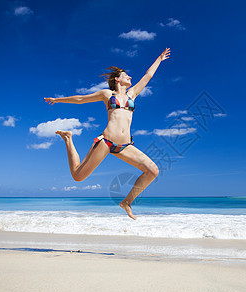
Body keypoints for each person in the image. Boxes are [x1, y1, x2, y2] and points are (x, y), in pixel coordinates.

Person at [44, 48, 171, 220]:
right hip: (106, 142)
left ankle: (127, 202)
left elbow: (147, 76)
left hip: (125, 146)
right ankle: (68, 138)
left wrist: (159, 59)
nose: (130, 78)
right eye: (127, 75)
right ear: (117, 79)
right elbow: (81, 98)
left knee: (153, 171)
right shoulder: (107, 94)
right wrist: (58, 99)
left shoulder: (132, 94)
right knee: (78, 176)